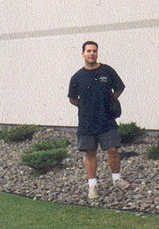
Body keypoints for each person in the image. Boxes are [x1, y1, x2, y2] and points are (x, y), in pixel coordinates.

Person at [68, 40, 128, 199]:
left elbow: (120, 87)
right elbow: (72, 99)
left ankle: (117, 179)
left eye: (94, 51)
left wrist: (110, 100)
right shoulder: (77, 77)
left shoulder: (107, 71)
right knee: (90, 153)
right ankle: (92, 185)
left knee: (113, 150)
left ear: (97, 53)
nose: (91, 53)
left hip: (107, 120)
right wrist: (86, 106)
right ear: (82, 54)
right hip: (87, 122)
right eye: (88, 51)